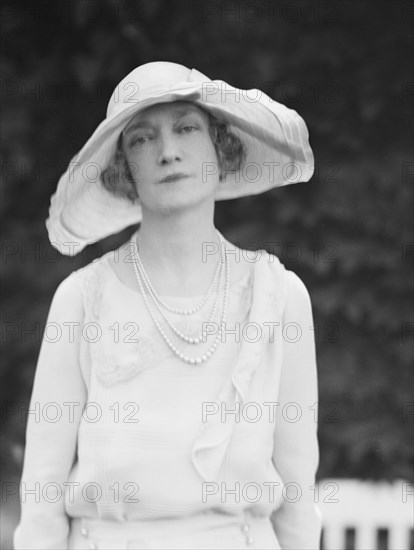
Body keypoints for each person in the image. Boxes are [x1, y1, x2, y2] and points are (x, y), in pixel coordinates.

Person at [13, 61, 322, 549]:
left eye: (186, 128)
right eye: (142, 138)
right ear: (123, 171)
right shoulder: (82, 300)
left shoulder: (279, 297)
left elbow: (299, 496)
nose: (168, 152)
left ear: (221, 148)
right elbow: (42, 498)